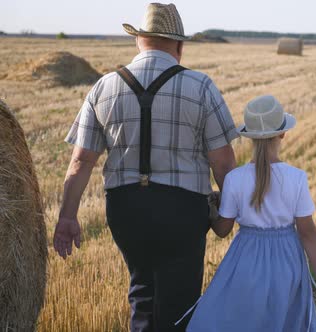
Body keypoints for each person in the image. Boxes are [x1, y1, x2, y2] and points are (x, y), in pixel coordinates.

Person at [53, 3, 237, 331]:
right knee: (178, 306)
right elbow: (223, 162)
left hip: (125, 209)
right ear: (179, 45)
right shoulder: (201, 87)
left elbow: (80, 161)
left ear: (138, 40)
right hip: (182, 210)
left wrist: (67, 216)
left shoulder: (103, 87)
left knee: (142, 293)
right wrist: (230, 213)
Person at [185, 95, 316, 331]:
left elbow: (222, 230)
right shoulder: (296, 178)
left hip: (245, 259)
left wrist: (214, 205)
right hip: (287, 261)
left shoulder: (235, 179)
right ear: (282, 133)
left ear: (249, 137)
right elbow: (308, 234)